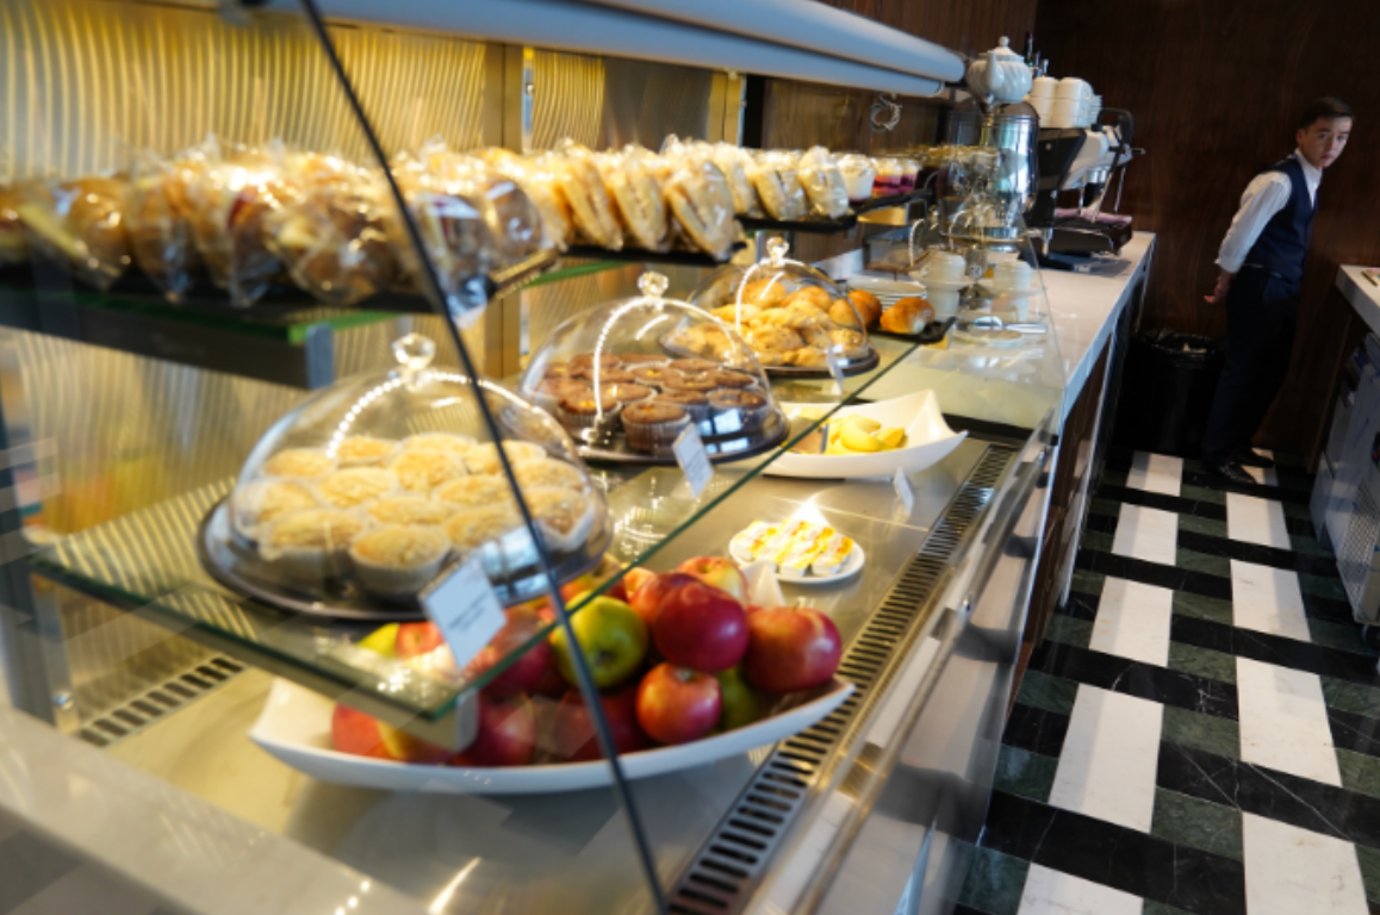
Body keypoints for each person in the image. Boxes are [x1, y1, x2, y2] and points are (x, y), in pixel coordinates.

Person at [1201, 96, 1352, 485]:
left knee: (1270, 371)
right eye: (1323, 135)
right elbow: (1241, 232)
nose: (1332, 145)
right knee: (1243, 370)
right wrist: (1225, 279)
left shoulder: (1312, 177)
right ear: (1301, 135)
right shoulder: (1279, 180)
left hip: (1281, 287)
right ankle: (1217, 454)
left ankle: (1237, 443)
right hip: (1260, 285)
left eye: (1341, 137)